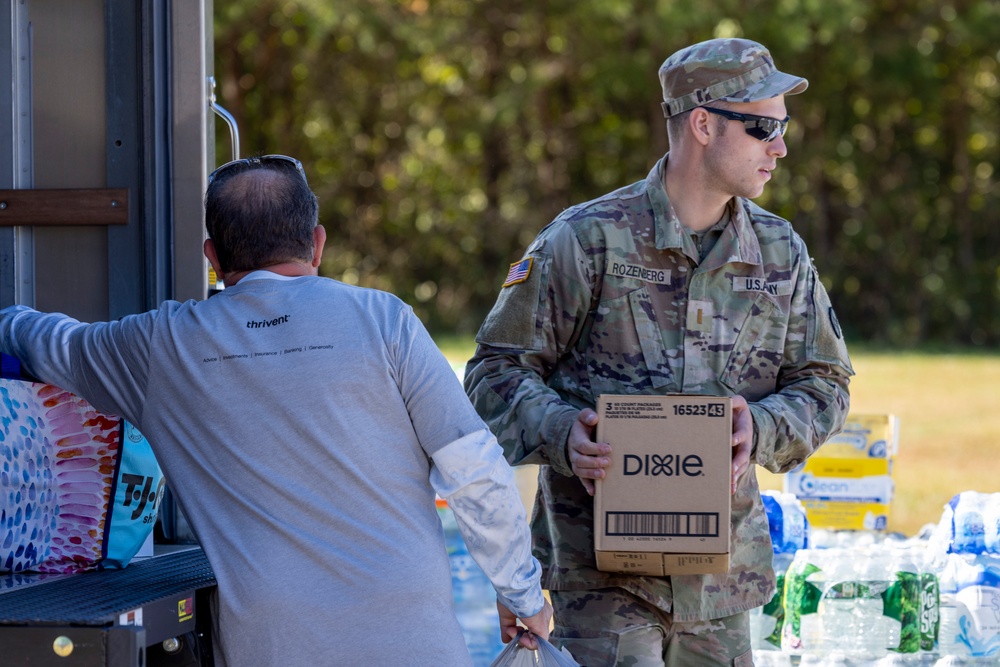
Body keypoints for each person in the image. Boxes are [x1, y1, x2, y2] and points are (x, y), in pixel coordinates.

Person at [0, 155, 552, 666]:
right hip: (414, 644)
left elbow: (50, 342)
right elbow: (475, 469)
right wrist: (522, 593)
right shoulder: (385, 321)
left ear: (213, 258)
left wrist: (9, 318)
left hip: (272, 647)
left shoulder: (159, 346)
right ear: (317, 243)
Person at [464, 38, 854, 666]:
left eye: (782, 128)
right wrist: (564, 431)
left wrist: (760, 426)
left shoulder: (780, 252)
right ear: (703, 124)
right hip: (599, 584)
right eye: (764, 127)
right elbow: (493, 372)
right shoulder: (587, 240)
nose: (779, 146)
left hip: (720, 588)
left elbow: (826, 380)